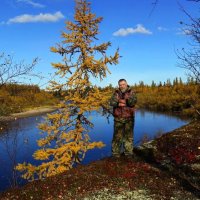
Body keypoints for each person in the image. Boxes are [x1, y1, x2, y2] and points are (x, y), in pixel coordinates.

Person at [110, 79, 137, 158]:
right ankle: (115, 154)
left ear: (126, 84)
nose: (122, 86)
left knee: (128, 137)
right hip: (118, 119)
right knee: (117, 137)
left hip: (129, 118)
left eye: (123, 84)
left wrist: (123, 101)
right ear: (119, 85)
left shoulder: (131, 92)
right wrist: (118, 103)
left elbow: (133, 102)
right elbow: (111, 102)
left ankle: (128, 153)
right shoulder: (116, 93)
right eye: (120, 85)